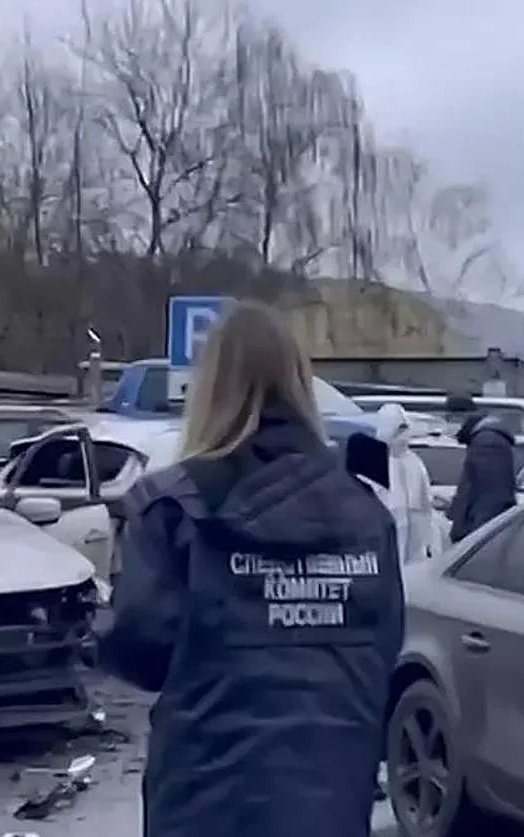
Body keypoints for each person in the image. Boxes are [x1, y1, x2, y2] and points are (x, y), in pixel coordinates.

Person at [99, 300, 404, 837]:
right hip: (331, 799)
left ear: (210, 388)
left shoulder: (173, 507)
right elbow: (384, 645)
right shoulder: (366, 513)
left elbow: (138, 651)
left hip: (207, 802)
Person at [374, 403, 440, 564]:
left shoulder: (413, 462)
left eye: (404, 430)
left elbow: (425, 503)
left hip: (414, 531)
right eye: (398, 431)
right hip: (386, 531)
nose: (403, 437)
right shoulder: (373, 461)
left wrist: (430, 540)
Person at [448, 411, 517, 542]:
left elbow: (490, 495)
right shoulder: (492, 439)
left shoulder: (487, 443)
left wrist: (477, 534)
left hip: (481, 527)